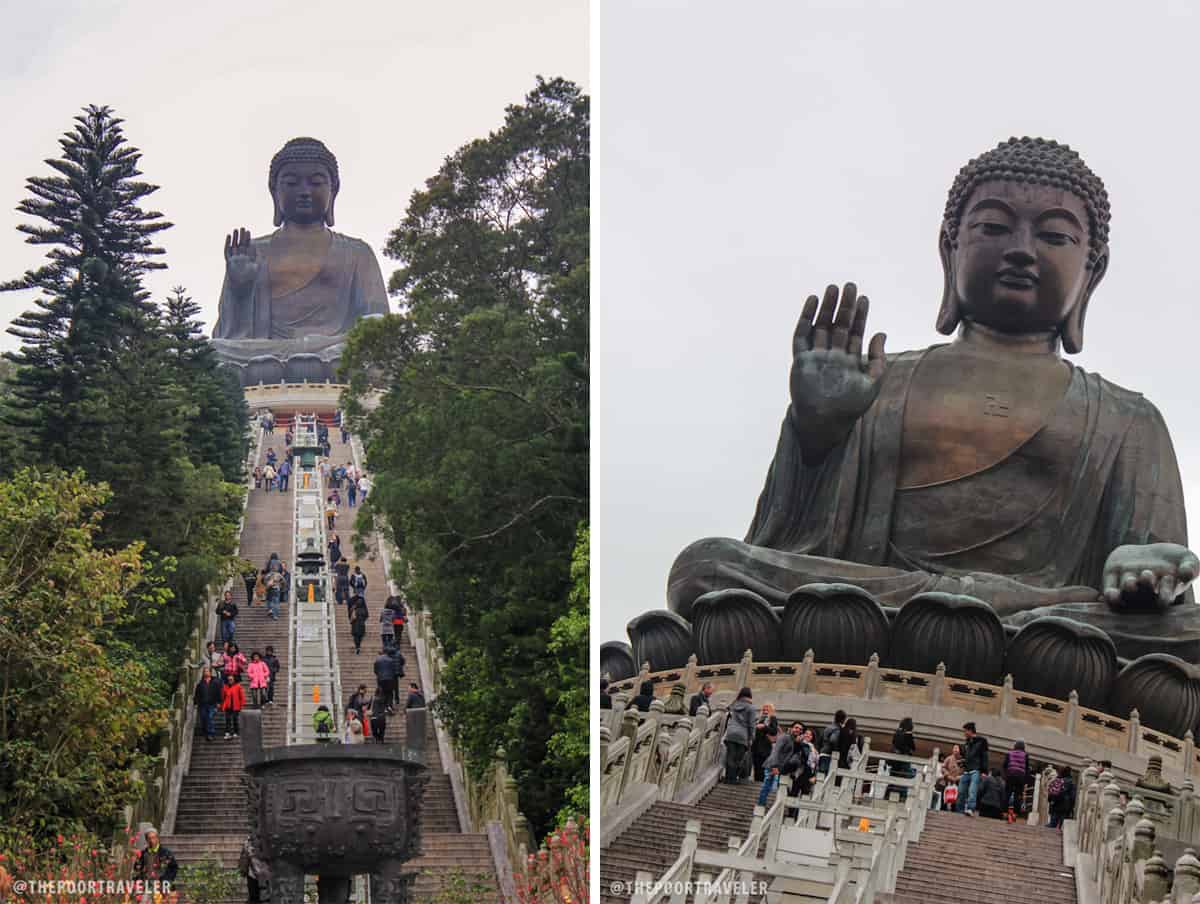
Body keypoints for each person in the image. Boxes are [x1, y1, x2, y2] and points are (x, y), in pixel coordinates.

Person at [758, 721, 803, 805]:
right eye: (796, 728)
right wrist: (774, 766)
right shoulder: (784, 737)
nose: (798, 730)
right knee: (767, 786)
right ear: (791, 728)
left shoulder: (795, 741)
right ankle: (761, 805)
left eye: (800, 729)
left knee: (779, 788)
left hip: (781, 768)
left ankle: (771, 806)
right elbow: (776, 751)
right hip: (772, 765)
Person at [722, 686, 756, 784]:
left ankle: (728, 778)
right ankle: (733, 778)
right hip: (743, 735)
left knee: (730, 756)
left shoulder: (735, 704)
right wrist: (752, 738)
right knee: (738, 758)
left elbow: (727, 709)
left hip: (731, 733)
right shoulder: (751, 707)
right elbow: (751, 724)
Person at [957, 722, 990, 816]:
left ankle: (971, 809)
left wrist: (984, 771)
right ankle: (959, 810)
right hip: (966, 770)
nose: (964, 733)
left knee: (972, 791)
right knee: (961, 791)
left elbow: (985, 756)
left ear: (970, 731)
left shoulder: (982, 741)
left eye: (965, 731)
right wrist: (963, 762)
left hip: (976, 770)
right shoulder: (967, 742)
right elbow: (968, 757)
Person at [1004, 739, 1033, 816]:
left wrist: (1006, 774)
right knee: (1018, 795)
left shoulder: (1009, 753)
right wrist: (1026, 781)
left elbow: (1005, 765)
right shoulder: (1025, 755)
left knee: (1007, 794)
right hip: (1020, 777)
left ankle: (1004, 812)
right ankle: (1015, 814)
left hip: (1010, 775)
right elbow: (1027, 769)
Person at [193, 666, 222, 741]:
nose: (206, 672)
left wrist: (219, 702)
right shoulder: (200, 683)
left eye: (207, 671)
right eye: (205, 671)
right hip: (202, 704)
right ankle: (205, 731)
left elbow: (218, 693)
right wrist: (195, 702)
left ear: (210, 672)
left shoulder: (215, 682)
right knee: (203, 718)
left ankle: (210, 734)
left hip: (212, 704)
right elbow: (197, 694)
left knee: (210, 718)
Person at [752, 702, 779, 781]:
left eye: (767, 709)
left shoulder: (772, 718)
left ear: (771, 710)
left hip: (765, 747)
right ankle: (756, 781)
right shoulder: (759, 719)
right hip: (756, 745)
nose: (765, 710)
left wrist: (764, 727)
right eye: (764, 709)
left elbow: (774, 731)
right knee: (756, 766)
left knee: (762, 767)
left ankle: (760, 783)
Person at [1047, 765, 1076, 829]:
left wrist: (1050, 800)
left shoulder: (1058, 779)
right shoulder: (1071, 782)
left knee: (1053, 823)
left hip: (1056, 802)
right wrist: (1072, 807)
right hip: (1066, 804)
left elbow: (1052, 791)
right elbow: (1073, 796)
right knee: (1062, 825)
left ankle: (1051, 827)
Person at [819, 710, 846, 775]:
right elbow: (833, 740)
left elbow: (821, 739)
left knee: (820, 775)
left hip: (822, 753)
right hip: (828, 755)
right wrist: (836, 751)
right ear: (842, 719)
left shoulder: (828, 727)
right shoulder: (836, 729)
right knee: (824, 776)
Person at [374, 648, 398, 714]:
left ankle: (383, 707)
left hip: (381, 679)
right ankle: (389, 706)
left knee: (382, 692)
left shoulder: (377, 660)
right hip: (390, 679)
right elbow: (394, 670)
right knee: (390, 693)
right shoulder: (391, 660)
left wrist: (379, 675)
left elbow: (375, 671)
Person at [221, 672, 245, 739]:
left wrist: (242, 704)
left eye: (231, 679)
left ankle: (236, 732)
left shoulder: (238, 686)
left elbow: (241, 696)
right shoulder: (225, 686)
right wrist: (222, 705)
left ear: (234, 679)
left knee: (235, 719)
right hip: (228, 705)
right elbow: (223, 696)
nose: (230, 680)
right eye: (229, 679)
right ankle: (228, 732)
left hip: (236, 705)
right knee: (227, 719)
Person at [941, 744, 963, 811]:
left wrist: (959, 777)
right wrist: (947, 774)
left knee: (956, 797)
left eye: (956, 748)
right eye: (954, 748)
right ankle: (943, 808)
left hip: (958, 781)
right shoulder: (949, 758)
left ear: (960, 750)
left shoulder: (963, 760)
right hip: (948, 780)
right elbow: (943, 768)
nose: (955, 750)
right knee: (944, 796)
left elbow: (966, 771)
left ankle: (954, 809)